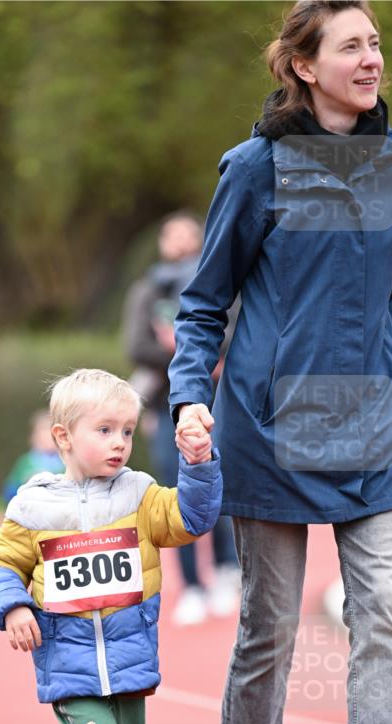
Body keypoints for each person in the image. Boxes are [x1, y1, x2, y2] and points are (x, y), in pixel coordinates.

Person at [169, 0, 392, 724]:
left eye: (375, 43)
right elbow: (202, 304)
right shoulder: (253, 169)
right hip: (267, 427)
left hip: (373, 428)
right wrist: (191, 399)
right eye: (351, 46)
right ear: (304, 66)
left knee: (379, 616)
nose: (371, 58)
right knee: (268, 630)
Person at [0, 369, 221, 724]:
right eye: (105, 430)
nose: (120, 443)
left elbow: (193, 519)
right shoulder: (35, 505)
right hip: (68, 663)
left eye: (128, 431)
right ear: (63, 437)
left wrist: (199, 463)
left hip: (129, 660)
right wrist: (13, 605)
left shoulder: (140, 494)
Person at [123, 211, 240, 626]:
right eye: (172, 236)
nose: (181, 243)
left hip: (221, 403)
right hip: (164, 407)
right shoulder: (144, 291)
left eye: (189, 235)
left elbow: (232, 335)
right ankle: (192, 586)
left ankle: (229, 570)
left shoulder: (221, 283)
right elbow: (136, 345)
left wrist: (202, 351)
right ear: (161, 243)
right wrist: (185, 357)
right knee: (176, 493)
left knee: (220, 485)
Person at [2, 409, 64, 503]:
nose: (47, 442)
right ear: (33, 438)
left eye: (51, 438)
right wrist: (25, 482)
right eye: (41, 437)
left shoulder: (65, 462)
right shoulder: (25, 462)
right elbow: (9, 492)